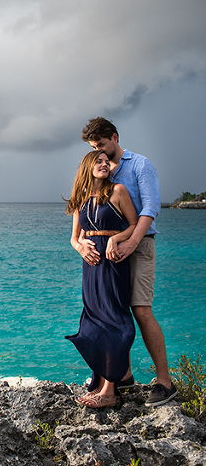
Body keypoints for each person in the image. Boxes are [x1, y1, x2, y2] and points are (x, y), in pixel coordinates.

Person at [79, 117, 177, 408]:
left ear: (115, 137)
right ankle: (122, 375)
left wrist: (132, 241)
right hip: (111, 251)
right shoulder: (102, 170)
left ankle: (165, 382)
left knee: (141, 309)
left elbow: (150, 206)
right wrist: (82, 241)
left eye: (102, 145)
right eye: (95, 148)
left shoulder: (140, 165)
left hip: (139, 244)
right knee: (112, 310)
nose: (101, 153)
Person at [65, 150, 139, 408]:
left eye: (107, 162)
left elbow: (133, 224)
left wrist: (115, 239)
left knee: (115, 318)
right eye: (99, 161)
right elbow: (74, 237)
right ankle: (99, 383)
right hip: (91, 264)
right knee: (94, 320)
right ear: (87, 165)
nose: (105, 165)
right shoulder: (81, 197)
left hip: (113, 260)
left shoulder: (118, 191)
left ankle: (110, 391)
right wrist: (81, 247)